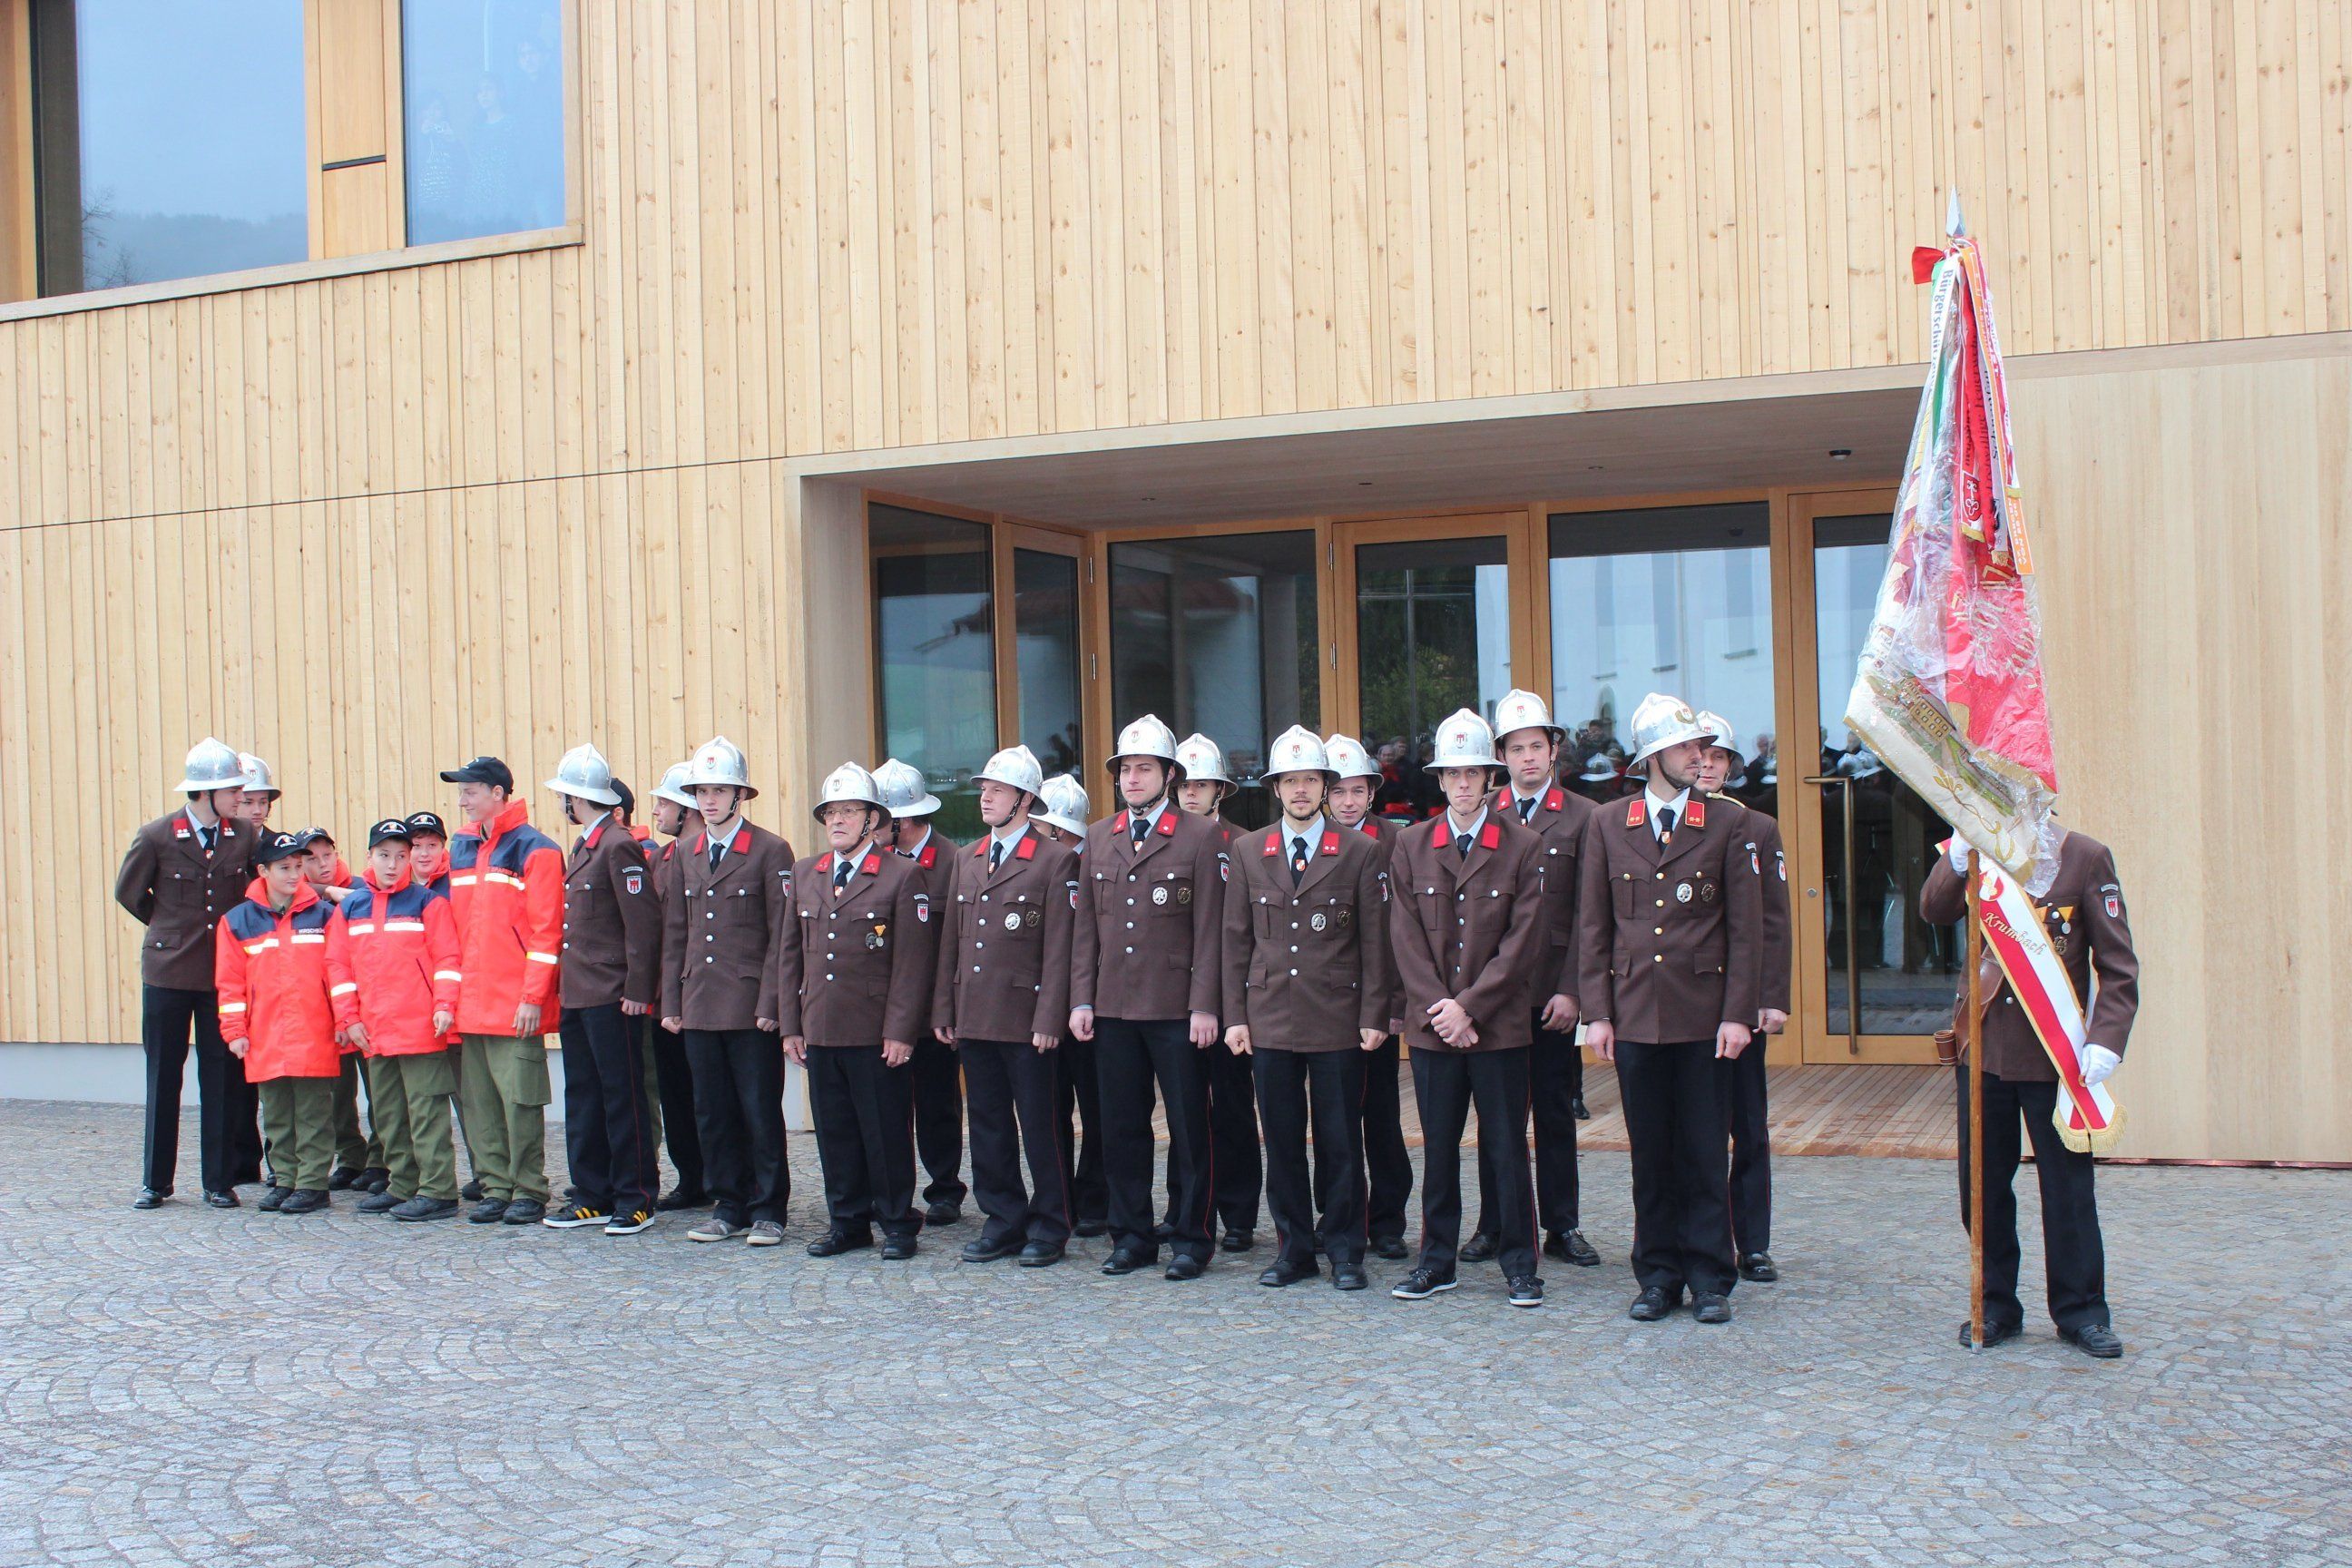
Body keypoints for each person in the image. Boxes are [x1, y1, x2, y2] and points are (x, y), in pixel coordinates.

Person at [1577, 693, 1763, 1326]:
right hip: (1634, 1012)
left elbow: (1745, 930)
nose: (1699, 757)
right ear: (1654, 756)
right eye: (1686, 747)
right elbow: (1593, 925)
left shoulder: (1727, 823)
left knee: (1705, 1150)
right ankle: (1657, 1275)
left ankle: (1710, 1277)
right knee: (1650, 1155)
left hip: (1704, 1013)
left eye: (1701, 747)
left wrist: (1738, 1013)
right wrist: (1597, 1013)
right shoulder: (1609, 823)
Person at [1921, 828, 2139, 1358]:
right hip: (1985, 1049)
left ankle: (2081, 1311)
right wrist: (1956, 857)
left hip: (2054, 1056)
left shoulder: (2083, 857)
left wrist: (2107, 1038)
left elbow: (2117, 965)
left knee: (2068, 1190)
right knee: (1982, 1187)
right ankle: (1995, 1304)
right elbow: (1933, 910)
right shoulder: (1979, 849)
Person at [1385, 710, 1548, 1309]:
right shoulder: (1410, 845)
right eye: (1451, 774)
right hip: (1434, 1029)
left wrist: (1470, 1007)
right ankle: (1436, 1263)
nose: (1461, 784)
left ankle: (1520, 1266)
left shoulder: (1523, 845)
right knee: (1439, 1149)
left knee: (1507, 1148)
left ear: (1489, 777)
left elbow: (1525, 940)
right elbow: (1405, 936)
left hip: (1496, 1026)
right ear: (1439, 779)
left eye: (1472, 773)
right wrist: (1441, 1009)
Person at [1220, 728, 1392, 1292]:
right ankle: (1293, 1251)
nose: (1300, 790)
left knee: (1341, 1142)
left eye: (1310, 780)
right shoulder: (1249, 850)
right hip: (1269, 1017)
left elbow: (1375, 942)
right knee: (1283, 1142)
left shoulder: (1360, 850)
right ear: (1275, 788)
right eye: (1290, 780)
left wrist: (1374, 1014)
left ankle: (1345, 1251)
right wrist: (1235, 1016)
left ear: (1325, 786)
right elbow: (1236, 939)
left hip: (1337, 1018)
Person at [1070, 715, 1228, 1282]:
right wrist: (1081, 999)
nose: (1132, 779)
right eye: (1125, 770)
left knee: (1189, 1128)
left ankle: (1191, 1238)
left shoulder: (1200, 835)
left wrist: (1205, 1005)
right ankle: (1131, 1236)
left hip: (1176, 1007)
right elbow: (1085, 928)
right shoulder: (1098, 836)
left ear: (1169, 776)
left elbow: (1211, 928)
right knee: (1120, 1128)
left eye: (1144, 768)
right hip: (1114, 1005)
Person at [1462, 691, 1601, 1271]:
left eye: (1536, 747)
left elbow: (1590, 912)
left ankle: (1562, 1224)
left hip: (1549, 991)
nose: (1527, 758)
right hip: (1493, 991)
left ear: (1554, 750)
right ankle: (1494, 1223)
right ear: (1500, 756)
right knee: (1496, 1115)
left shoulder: (1584, 816)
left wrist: (1573, 989)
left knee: (1553, 1109)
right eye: (1516, 749)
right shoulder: (1483, 812)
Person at [780, 763, 939, 1259]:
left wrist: (901, 1031)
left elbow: (912, 964)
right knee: (835, 1134)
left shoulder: (902, 875)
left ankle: (897, 1223)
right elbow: (789, 955)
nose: (837, 820)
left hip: (874, 1030)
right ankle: (847, 1222)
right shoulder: (806, 872)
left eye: (849, 811)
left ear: (872, 819)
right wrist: (791, 1026)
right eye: (831, 812)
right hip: (822, 1025)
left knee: (885, 1132)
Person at [930, 745, 1078, 1268]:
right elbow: (952, 941)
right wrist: (944, 1008)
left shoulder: (1056, 859)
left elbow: (1060, 949)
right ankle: (1003, 1220)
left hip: (1027, 1017)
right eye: (984, 789)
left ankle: (1051, 1225)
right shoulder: (967, 857)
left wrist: (1050, 1017)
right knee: (988, 1124)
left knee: (1041, 1127)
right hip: (975, 1013)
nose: (985, 797)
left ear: (1025, 799)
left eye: (997, 790)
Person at [659, 737, 795, 1247]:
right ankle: (728, 1203)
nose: (709, 800)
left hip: (748, 1005)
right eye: (702, 792)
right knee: (711, 1111)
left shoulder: (770, 849)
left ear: (740, 795)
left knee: (758, 1110)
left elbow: (782, 935)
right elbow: (677, 931)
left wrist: (773, 1002)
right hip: (699, 1001)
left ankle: (768, 1207)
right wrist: (671, 1001)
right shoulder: (686, 852)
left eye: (719, 790)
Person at [115, 738, 263, 1209]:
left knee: (221, 1079)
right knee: (164, 1076)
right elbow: (129, 893)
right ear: (206, 792)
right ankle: (156, 1182)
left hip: (222, 976)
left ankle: (218, 1182)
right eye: (233, 790)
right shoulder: (157, 835)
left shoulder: (243, 835)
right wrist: (169, 930)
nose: (240, 798)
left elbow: (257, 890)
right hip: (168, 973)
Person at [441, 754, 564, 1227]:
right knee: (480, 1106)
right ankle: (495, 1187)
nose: (462, 800)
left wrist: (533, 998)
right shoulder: (462, 846)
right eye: (461, 791)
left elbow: (546, 934)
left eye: (470, 791)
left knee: (520, 1104)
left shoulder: (537, 850)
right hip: (471, 1005)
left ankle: (529, 1190)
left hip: (514, 1006)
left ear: (498, 793)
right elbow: (453, 931)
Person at [544, 745, 662, 1236]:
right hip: (580, 991)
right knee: (585, 1097)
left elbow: (643, 923)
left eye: (564, 796)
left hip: (613, 993)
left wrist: (638, 987)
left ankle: (635, 1197)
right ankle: (591, 1193)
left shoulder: (617, 845)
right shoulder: (587, 845)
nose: (562, 804)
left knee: (622, 1098)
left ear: (576, 798)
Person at [325, 819, 464, 1222]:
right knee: (388, 1114)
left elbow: (448, 959)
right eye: (384, 855)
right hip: (373, 1030)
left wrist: (444, 1006)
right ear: (369, 856)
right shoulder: (351, 907)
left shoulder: (428, 903)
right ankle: (402, 1185)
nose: (393, 864)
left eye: (401, 856)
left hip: (421, 1027)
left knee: (426, 1112)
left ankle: (437, 1190)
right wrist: (348, 1018)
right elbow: (338, 967)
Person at [1695, 711, 1792, 1283]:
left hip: (1741, 996)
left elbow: (1773, 919)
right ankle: (1700, 1237)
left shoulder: (1757, 825)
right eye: (1700, 756)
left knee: (1748, 1124)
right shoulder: (1665, 822)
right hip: (1686, 997)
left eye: (1719, 757)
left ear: (1731, 766)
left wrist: (1770, 995)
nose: (1707, 766)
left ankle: (1752, 1241)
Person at [216, 831, 341, 1215]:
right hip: (265, 1033)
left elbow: (339, 973)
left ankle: (313, 1184)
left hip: (314, 1030)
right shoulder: (237, 921)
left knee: (313, 1114)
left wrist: (343, 1021)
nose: (294, 875)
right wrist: (234, 1032)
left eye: (298, 867)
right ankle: (286, 1179)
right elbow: (230, 983)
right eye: (285, 868)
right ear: (263, 871)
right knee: (277, 1115)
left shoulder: (325, 915)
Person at [1170, 731, 1260, 1253]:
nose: (1191, 793)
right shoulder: (1165, 837)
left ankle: (1239, 1214)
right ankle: (1182, 1207)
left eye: (1202, 785)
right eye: (1185, 784)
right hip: (1177, 995)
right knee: (1184, 1112)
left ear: (1220, 791)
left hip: (1230, 994)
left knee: (1233, 1106)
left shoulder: (1243, 843)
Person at [1324, 733, 1411, 1259]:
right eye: (1338, 791)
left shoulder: (1396, 842)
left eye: (1358, 790)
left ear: (1373, 792)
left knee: (1381, 1117)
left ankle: (1388, 1221)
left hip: (1378, 998)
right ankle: (1338, 1215)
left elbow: (1403, 930)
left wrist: (1396, 1003)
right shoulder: (1312, 841)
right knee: (1333, 1119)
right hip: (1328, 1000)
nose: (1348, 801)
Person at [873, 757, 969, 1226]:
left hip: (932, 1007)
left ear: (902, 821)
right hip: (882, 1006)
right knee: (886, 1106)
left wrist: (947, 1008)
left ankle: (945, 1189)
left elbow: (960, 942)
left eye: (876, 819)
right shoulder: (873, 861)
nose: (868, 827)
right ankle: (890, 1194)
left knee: (937, 1104)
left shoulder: (953, 862)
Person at [1036, 772, 1108, 1237]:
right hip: (1045, 1005)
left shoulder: (1090, 862)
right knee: (1050, 1109)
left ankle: (1096, 1198)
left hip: (1091, 1005)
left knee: (1098, 1110)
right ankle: (1061, 1196)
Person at [642, 761, 709, 1210]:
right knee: (675, 1095)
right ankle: (691, 1179)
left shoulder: (711, 854)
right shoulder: (659, 860)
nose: (657, 812)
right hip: (667, 997)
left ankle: (725, 1177)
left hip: (707, 994)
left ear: (687, 809)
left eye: (664, 803)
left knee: (712, 1094)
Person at [236, 753, 279, 831]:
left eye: (263, 803)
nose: (257, 811)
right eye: (248, 803)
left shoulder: (278, 839)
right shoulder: (217, 837)